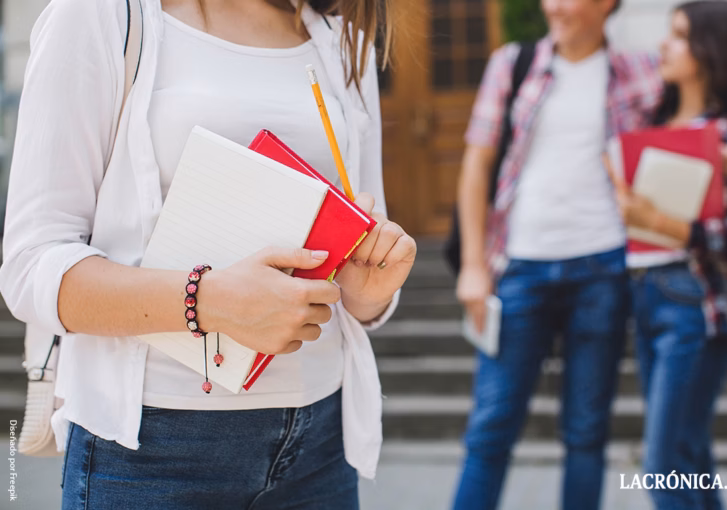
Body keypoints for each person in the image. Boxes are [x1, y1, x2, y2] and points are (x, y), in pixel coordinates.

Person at [0, 0, 416, 509]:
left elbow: (359, 276)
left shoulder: (337, 40)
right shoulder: (101, 15)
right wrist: (210, 299)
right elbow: (31, 265)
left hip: (321, 441)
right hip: (154, 451)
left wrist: (366, 290)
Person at [452, 0, 727, 509]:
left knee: (590, 433)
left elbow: (720, 100)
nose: (552, 5)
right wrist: (472, 264)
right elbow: (476, 162)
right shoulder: (513, 63)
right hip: (520, 268)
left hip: (605, 272)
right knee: (490, 427)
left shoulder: (643, 72)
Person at [609, 2, 727, 509]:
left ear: (709, 50)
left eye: (678, 36)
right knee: (690, 453)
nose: (663, 45)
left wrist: (660, 222)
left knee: (660, 470)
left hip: (696, 298)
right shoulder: (650, 117)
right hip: (647, 291)